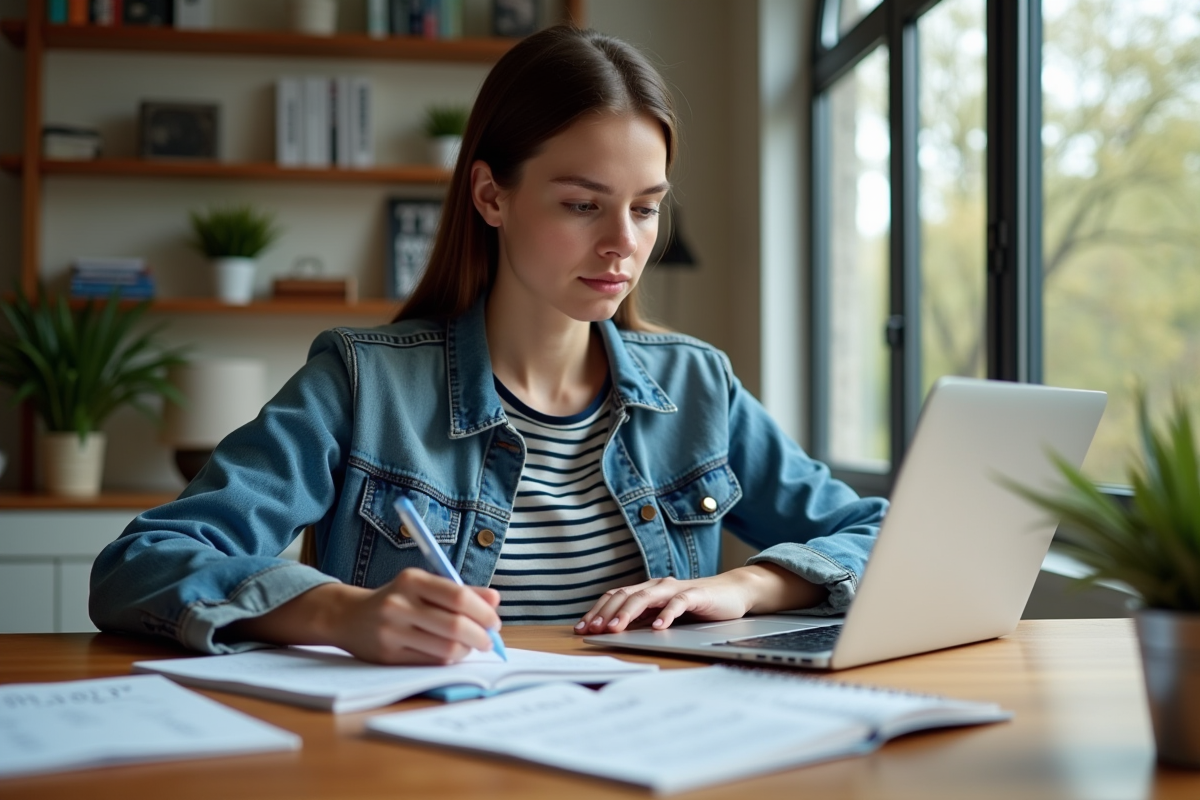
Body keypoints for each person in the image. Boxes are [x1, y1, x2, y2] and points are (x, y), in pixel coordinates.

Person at [90, 25, 887, 666]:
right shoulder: (363, 384)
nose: (622, 244)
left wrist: (751, 584)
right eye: (583, 204)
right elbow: (142, 563)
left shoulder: (698, 387)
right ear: (491, 195)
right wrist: (339, 612)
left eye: (646, 209)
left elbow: (879, 529)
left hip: (653, 756)